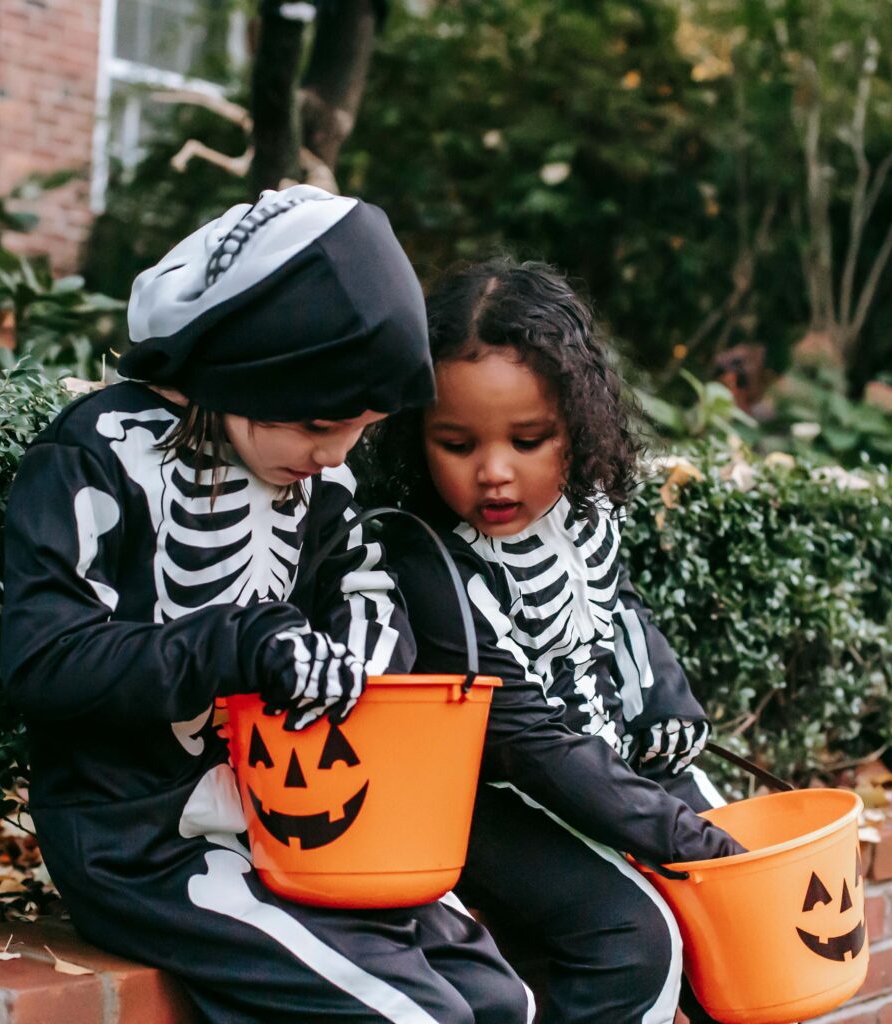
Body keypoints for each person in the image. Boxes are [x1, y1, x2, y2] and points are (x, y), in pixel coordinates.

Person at [0, 186, 529, 1024]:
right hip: (141, 841)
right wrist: (239, 641)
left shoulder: (321, 485)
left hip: (299, 819)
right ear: (247, 369)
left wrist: (355, 657)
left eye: (359, 429)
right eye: (318, 423)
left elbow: (367, 599)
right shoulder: (96, 453)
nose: (332, 454)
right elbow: (43, 660)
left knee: (499, 1002)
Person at [371, 257, 743, 1024]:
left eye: (530, 438)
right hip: (493, 799)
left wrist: (667, 700)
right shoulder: (423, 554)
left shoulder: (585, 512)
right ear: (417, 433)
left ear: (579, 421)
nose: (495, 474)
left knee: (752, 912)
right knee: (633, 939)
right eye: (457, 443)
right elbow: (522, 740)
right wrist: (677, 834)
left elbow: (620, 609)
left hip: (606, 762)